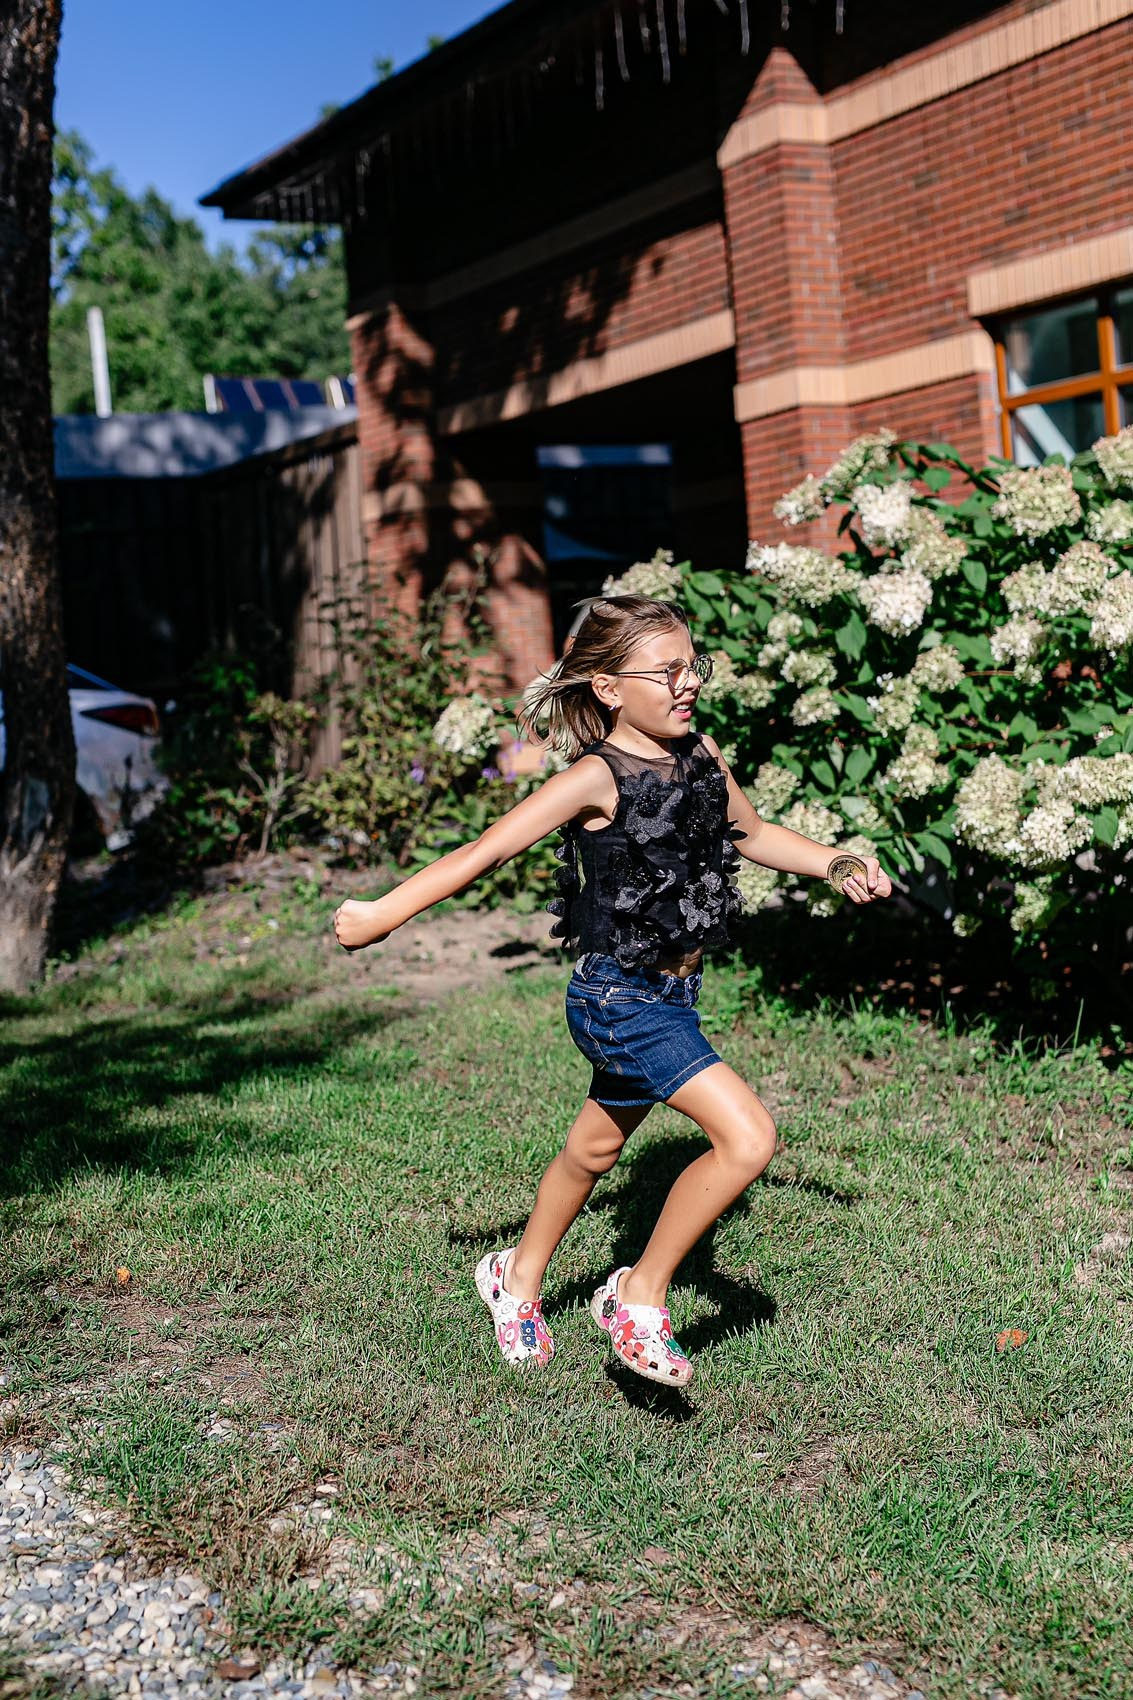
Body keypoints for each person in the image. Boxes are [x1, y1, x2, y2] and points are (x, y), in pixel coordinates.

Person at [333, 594, 892, 1387]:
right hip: (615, 999)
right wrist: (383, 913)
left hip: (671, 998)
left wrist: (836, 860)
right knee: (748, 1140)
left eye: (690, 665)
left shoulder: (701, 755)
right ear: (606, 687)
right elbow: (485, 852)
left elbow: (756, 836)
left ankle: (513, 1277)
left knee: (593, 1150)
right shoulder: (596, 778)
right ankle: (638, 1296)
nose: (686, 682)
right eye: (664, 671)